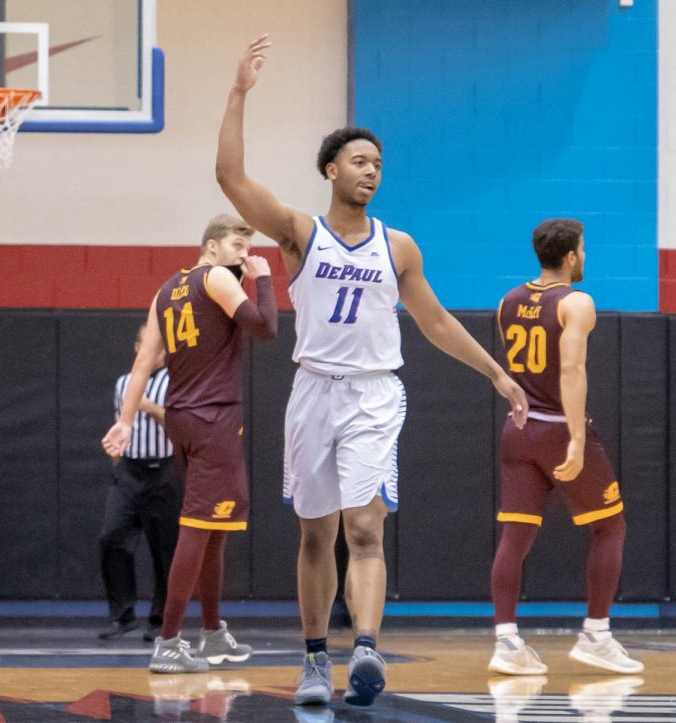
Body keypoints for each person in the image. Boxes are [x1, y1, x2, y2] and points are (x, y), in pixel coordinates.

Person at [215, 34, 529, 708]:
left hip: (375, 394)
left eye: (378, 164)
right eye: (359, 161)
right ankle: (312, 659)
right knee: (315, 533)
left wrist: (496, 373)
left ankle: (365, 647)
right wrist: (239, 92)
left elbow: (436, 321)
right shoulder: (301, 232)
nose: (372, 171)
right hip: (313, 392)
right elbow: (232, 182)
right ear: (330, 169)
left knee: (365, 527)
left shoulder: (400, 246)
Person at [102, 214, 278, 674]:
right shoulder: (218, 277)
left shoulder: (165, 290)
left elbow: (144, 360)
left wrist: (125, 421)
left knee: (213, 531)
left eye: (248, 246)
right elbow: (265, 328)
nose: (244, 253)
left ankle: (214, 633)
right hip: (213, 418)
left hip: (182, 420)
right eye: (238, 244)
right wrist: (263, 281)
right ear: (212, 246)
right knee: (198, 530)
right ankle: (168, 642)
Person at [488, 218, 644, 676]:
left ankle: (506, 642)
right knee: (610, 527)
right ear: (572, 255)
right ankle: (596, 634)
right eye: (584, 249)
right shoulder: (577, 302)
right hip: (557, 427)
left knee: (515, 537)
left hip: (518, 430)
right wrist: (576, 438)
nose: (585, 256)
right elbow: (571, 370)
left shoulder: (506, 301)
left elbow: (521, 374)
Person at [98, 324, 180, 642]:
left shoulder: (177, 381)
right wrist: (118, 464)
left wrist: (147, 407)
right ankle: (122, 615)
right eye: (152, 345)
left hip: (165, 472)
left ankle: (160, 620)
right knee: (111, 537)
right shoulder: (124, 383)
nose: (159, 351)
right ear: (138, 347)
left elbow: (178, 424)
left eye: (163, 346)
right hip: (129, 471)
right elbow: (120, 426)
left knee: (166, 549)